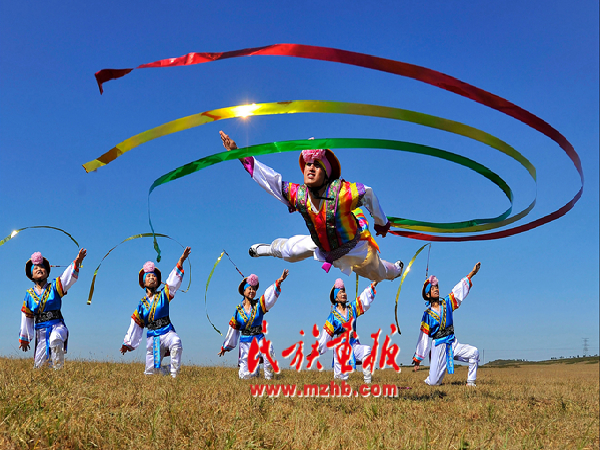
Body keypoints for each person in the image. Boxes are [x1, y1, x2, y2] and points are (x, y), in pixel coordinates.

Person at [220, 131, 403, 282]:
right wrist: (238, 153)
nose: (311, 168)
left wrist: (381, 223)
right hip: (321, 244)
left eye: (317, 165)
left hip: (354, 248)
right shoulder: (299, 194)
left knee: (377, 273)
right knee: (290, 251)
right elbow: (270, 180)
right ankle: (267, 249)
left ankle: (395, 270)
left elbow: (368, 193)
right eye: (308, 164)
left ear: (326, 173)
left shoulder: (343, 192)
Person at [120, 247, 191, 378]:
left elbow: (172, 281)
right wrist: (127, 343)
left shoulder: (164, 294)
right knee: (150, 375)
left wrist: (181, 260)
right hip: (153, 338)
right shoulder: (142, 304)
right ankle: (167, 370)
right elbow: (135, 325)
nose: (152, 277)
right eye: (149, 276)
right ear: (144, 282)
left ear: (158, 281)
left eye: (154, 276)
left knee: (176, 342)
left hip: (167, 331)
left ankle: (174, 376)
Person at [412, 262, 481, 386]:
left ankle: (471, 382)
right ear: (428, 295)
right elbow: (423, 336)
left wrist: (472, 273)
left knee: (474, 352)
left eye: (437, 287)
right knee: (434, 383)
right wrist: (418, 359)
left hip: (452, 342)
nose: (436, 289)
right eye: (433, 288)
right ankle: (430, 377)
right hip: (439, 346)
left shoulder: (447, 303)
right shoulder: (427, 314)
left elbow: (459, 290)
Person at [19, 248, 87, 369]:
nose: (39, 269)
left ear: (47, 272)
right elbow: (26, 316)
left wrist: (76, 262)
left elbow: (66, 278)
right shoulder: (29, 295)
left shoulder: (55, 287)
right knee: (39, 367)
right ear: (31, 275)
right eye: (35, 268)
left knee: (55, 339)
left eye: (42, 267)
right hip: (40, 332)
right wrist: (24, 338)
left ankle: (58, 371)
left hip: (57, 326)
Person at [218, 269, 289, 379]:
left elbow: (269, 296)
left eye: (254, 289)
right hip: (245, 342)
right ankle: (255, 373)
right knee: (247, 376)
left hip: (259, 338)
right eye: (250, 288)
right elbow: (233, 330)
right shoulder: (238, 310)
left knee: (268, 350)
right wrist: (225, 347)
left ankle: (269, 378)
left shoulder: (259, 304)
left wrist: (279, 281)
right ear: (244, 291)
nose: (252, 291)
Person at [317, 277, 378, 383]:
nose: (344, 294)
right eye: (340, 292)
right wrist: (318, 349)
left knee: (366, 350)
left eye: (344, 292)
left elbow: (363, 298)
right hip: (340, 346)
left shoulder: (352, 308)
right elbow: (326, 335)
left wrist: (375, 283)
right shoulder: (332, 316)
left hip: (353, 343)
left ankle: (368, 382)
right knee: (341, 377)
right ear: (336, 298)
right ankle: (340, 388)